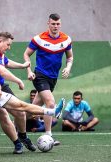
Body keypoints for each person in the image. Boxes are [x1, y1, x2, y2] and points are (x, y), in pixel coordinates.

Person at [23, 13, 72, 146]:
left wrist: (68, 67)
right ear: (48, 24)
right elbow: (26, 54)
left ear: (60, 24)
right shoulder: (38, 39)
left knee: (32, 109)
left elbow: (69, 57)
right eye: (53, 24)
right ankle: (49, 136)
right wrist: (29, 71)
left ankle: (17, 127)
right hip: (40, 75)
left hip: (53, 78)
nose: (56, 26)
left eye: (58, 24)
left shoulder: (66, 39)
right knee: (50, 103)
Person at [0, 32, 36, 151]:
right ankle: (17, 143)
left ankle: (23, 137)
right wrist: (19, 81)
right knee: (3, 115)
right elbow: (2, 71)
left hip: (0, 86)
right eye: (8, 44)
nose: (9, 47)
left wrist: (22, 66)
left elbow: (6, 62)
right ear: (0, 41)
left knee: (20, 112)